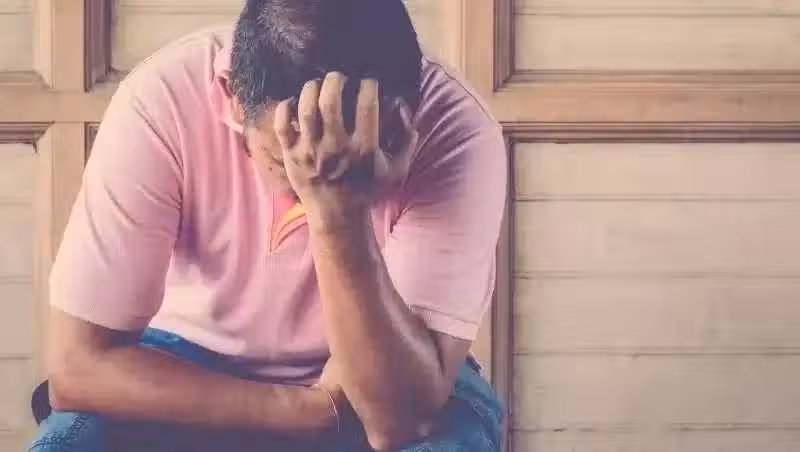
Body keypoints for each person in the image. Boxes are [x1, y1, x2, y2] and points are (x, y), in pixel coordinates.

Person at [29, 0, 507, 450]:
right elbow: (77, 366)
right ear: (233, 100)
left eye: (359, 160)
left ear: (405, 115)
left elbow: (397, 422)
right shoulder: (163, 96)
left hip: (393, 362)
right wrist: (305, 410)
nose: (316, 170)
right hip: (191, 354)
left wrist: (339, 213)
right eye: (287, 163)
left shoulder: (453, 126)